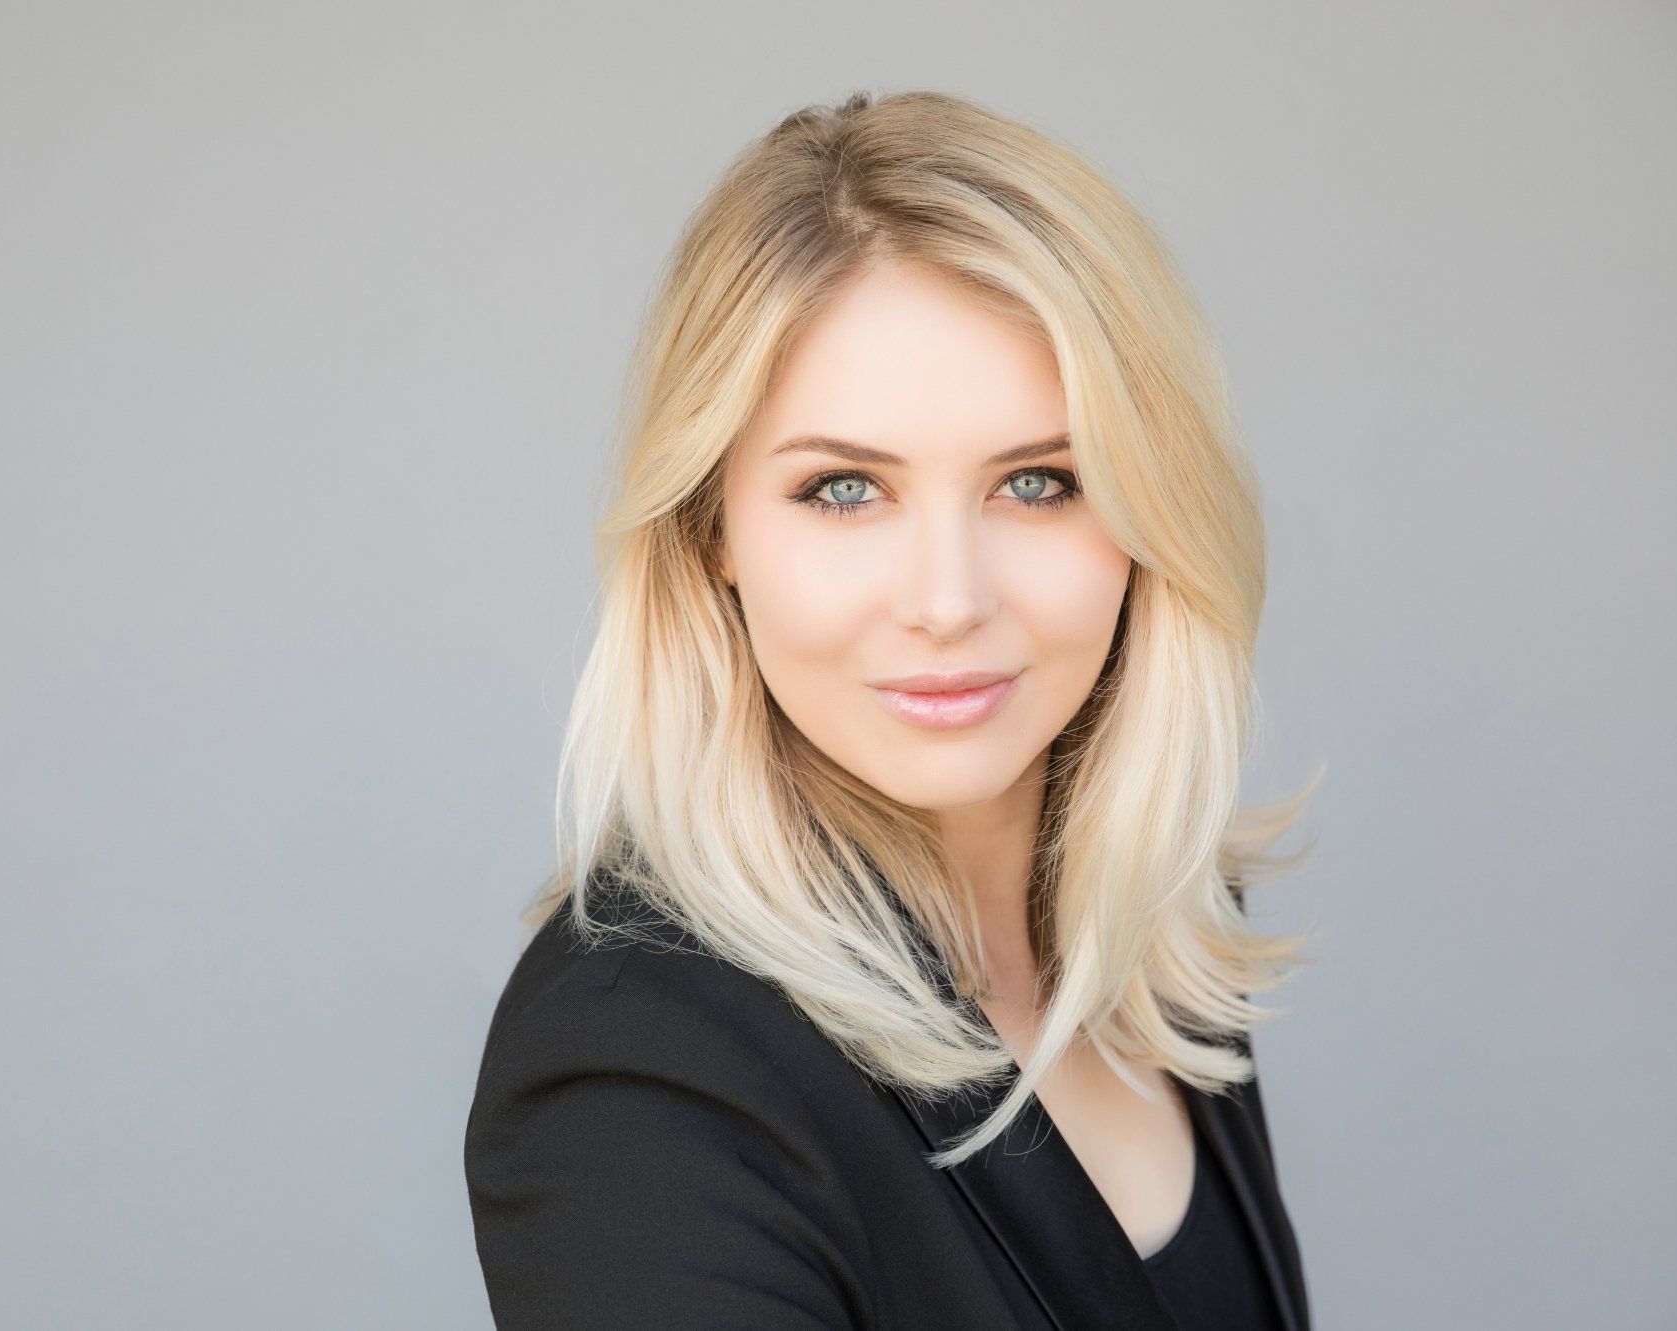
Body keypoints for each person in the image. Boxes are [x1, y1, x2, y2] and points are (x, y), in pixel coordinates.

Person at [465, 87, 1321, 1330]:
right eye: (845, 489)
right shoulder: (638, 1069)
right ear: (713, 530)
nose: (947, 599)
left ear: (1149, 519)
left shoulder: (1159, 933)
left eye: (1040, 482)